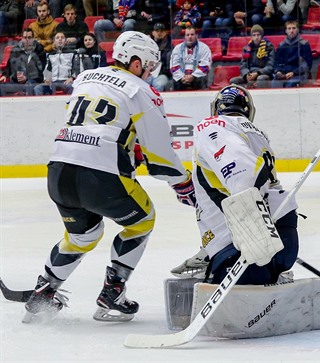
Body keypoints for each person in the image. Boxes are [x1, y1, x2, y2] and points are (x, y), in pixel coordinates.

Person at [23, 31, 196, 323]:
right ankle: (113, 292)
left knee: (82, 235)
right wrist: (183, 182)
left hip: (59, 173)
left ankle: (44, 292)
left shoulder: (85, 78)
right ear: (136, 61)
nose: (150, 73)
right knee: (143, 220)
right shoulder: (141, 90)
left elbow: (94, 123)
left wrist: (130, 148)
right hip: (102, 177)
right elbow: (161, 156)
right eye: (149, 66)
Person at [174, 84, 299, 286]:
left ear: (216, 108)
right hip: (283, 237)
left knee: (244, 292)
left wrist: (254, 240)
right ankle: (273, 274)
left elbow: (244, 176)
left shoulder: (212, 125)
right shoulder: (257, 134)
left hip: (244, 249)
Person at [0, 28, 45, 96]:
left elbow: (40, 69)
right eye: (25, 37)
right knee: (1, 87)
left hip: (33, 81)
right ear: (22, 38)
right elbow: (9, 65)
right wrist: (5, 75)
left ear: (33, 38)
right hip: (17, 82)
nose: (27, 40)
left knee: (28, 85)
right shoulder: (16, 50)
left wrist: (26, 77)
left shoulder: (39, 50)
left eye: (29, 38)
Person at [229, 24, 275, 89]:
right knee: (233, 81)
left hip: (263, 74)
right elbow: (243, 65)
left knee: (260, 78)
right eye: (254, 35)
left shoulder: (269, 47)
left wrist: (257, 73)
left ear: (262, 36)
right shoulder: (246, 48)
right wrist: (246, 75)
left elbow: (270, 66)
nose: (256, 37)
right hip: (250, 73)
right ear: (251, 37)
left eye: (258, 35)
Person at [271, 20, 312, 88]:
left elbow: (307, 65)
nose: (291, 31)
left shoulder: (304, 44)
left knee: (290, 84)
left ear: (298, 30)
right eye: (289, 28)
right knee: (275, 83)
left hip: (299, 74)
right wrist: (278, 71)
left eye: (294, 28)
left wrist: (294, 72)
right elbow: (277, 62)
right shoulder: (281, 45)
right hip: (284, 73)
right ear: (286, 31)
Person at [170, 26, 212, 91]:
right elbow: (173, 66)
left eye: (192, 34)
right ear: (185, 36)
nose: (190, 37)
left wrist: (193, 76)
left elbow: (205, 66)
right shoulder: (177, 48)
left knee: (202, 79)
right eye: (188, 35)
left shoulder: (204, 48)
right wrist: (181, 77)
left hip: (197, 77)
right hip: (182, 78)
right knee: (174, 80)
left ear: (196, 35)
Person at [147, 23, 173, 92]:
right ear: (153, 33)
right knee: (142, 84)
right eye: (157, 31)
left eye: (161, 31)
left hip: (163, 74)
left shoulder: (170, 45)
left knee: (159, 85)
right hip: (149, 74)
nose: (159, 33)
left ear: (165, 32)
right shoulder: (148, 45)